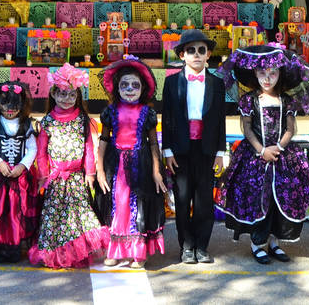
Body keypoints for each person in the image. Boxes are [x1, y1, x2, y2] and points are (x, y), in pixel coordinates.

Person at [216, 45, 309, 264]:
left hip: (282, 155)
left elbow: (290, 129)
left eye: (272, 73)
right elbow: (247, 128)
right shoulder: (249, 100)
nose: (267, 79)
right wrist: (262, 150)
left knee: (280, 201)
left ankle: (274, 242)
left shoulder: (286, 100)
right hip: (255, 156)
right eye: (262, 73)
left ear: (280, 74)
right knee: (260, 199)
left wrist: (278, 148)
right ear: (254, 73)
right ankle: (257, 243)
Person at [28, 63, 109, 268]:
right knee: (55, 217)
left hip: (76, 178)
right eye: (62, 94)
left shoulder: (83, 120)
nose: (67, 99)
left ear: (78, 97)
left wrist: (89, 173)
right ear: (53, 94)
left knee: (79, 215)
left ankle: (77, 251)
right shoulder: (47, 121)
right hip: (56, 179)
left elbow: (89, 147)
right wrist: (43, 175)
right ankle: (54, 253)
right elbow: (41, 151)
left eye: (72, 95)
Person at [160, 29, 226, 264]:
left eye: (201, 50)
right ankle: (186, 246)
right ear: (182, 55)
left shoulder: (217, 83)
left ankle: (202, 246)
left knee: (204, 200)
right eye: (191, 50)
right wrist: (167, 150)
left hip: (206, 148)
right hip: (180, 149)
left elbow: (220, 119)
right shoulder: (171, 83)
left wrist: (220, 152)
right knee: (182, 198)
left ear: (208, 54)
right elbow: (167, 117)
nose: (196, 54)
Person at [94, 58, 166, 268]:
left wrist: (156, 171)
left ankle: (138, 253)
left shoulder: (147, 113)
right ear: (117, 88)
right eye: (124, 85)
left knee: (139, 206)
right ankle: (116, 250)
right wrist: (99, 169)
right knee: (118, 205)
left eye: (135, 85)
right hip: (115, 165)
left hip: (140, 164)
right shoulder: (110, 111)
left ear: (143, 89)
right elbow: (104, 139)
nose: (129, 89)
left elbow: (153, 143)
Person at [0, 80, 38, 263]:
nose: (10, 109)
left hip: (20, 178)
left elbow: (32, 148)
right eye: (5, 104)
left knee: (16, 212)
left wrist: (23, 165)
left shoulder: (26, 124)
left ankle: (14, 246)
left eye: (15, 105)